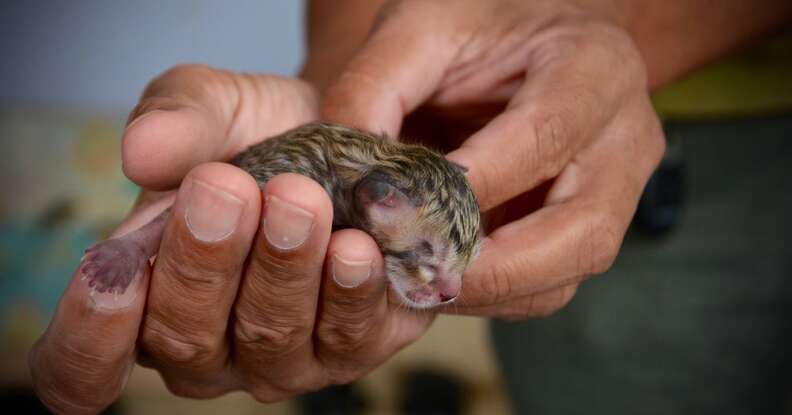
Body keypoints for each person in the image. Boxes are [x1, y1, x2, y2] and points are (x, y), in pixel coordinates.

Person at [28, 0, 792, 413]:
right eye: (429, 254)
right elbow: (227, 177)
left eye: (451, 261)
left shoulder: (393, 209)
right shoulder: (322, 177)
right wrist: (346, 72)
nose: (449, 286)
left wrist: (610, 22)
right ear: (377, 198)